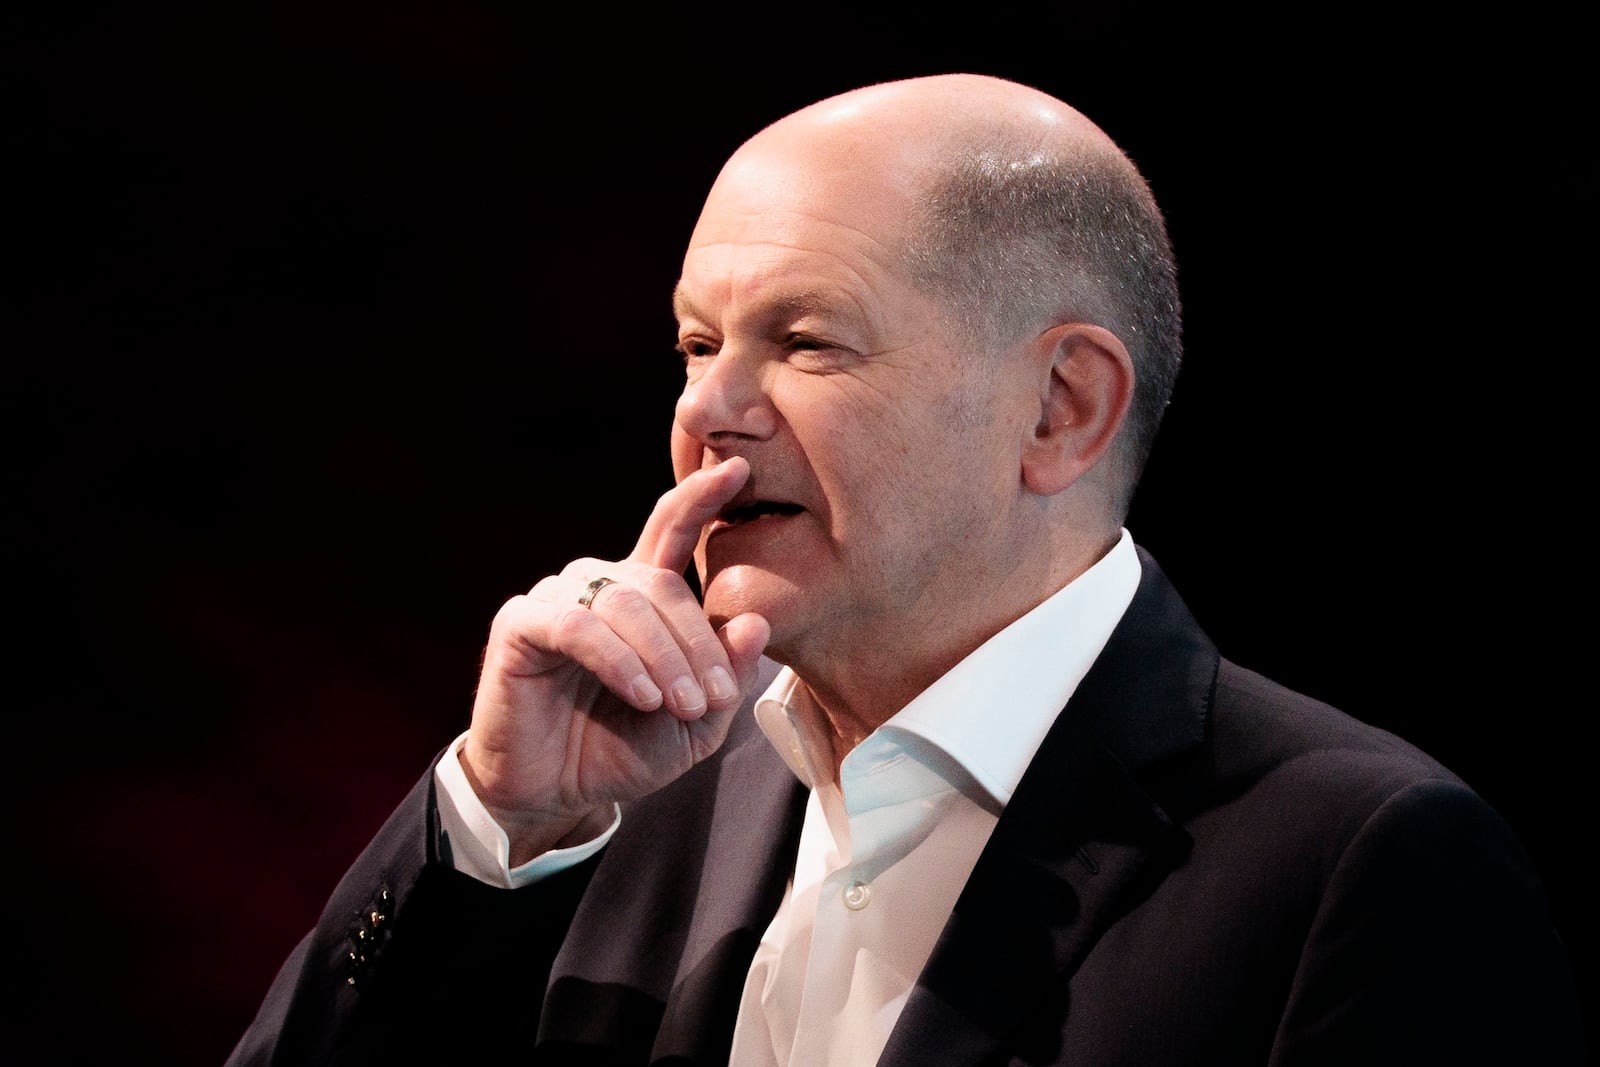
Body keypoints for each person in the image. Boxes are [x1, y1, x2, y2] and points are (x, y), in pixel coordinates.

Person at [226, 73, 1585, 1065]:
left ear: (1060, 410)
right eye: (699, 346)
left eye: (807, 341)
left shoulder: (1362, 862)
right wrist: (499, 829)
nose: (710, 411)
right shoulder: (619, 796)